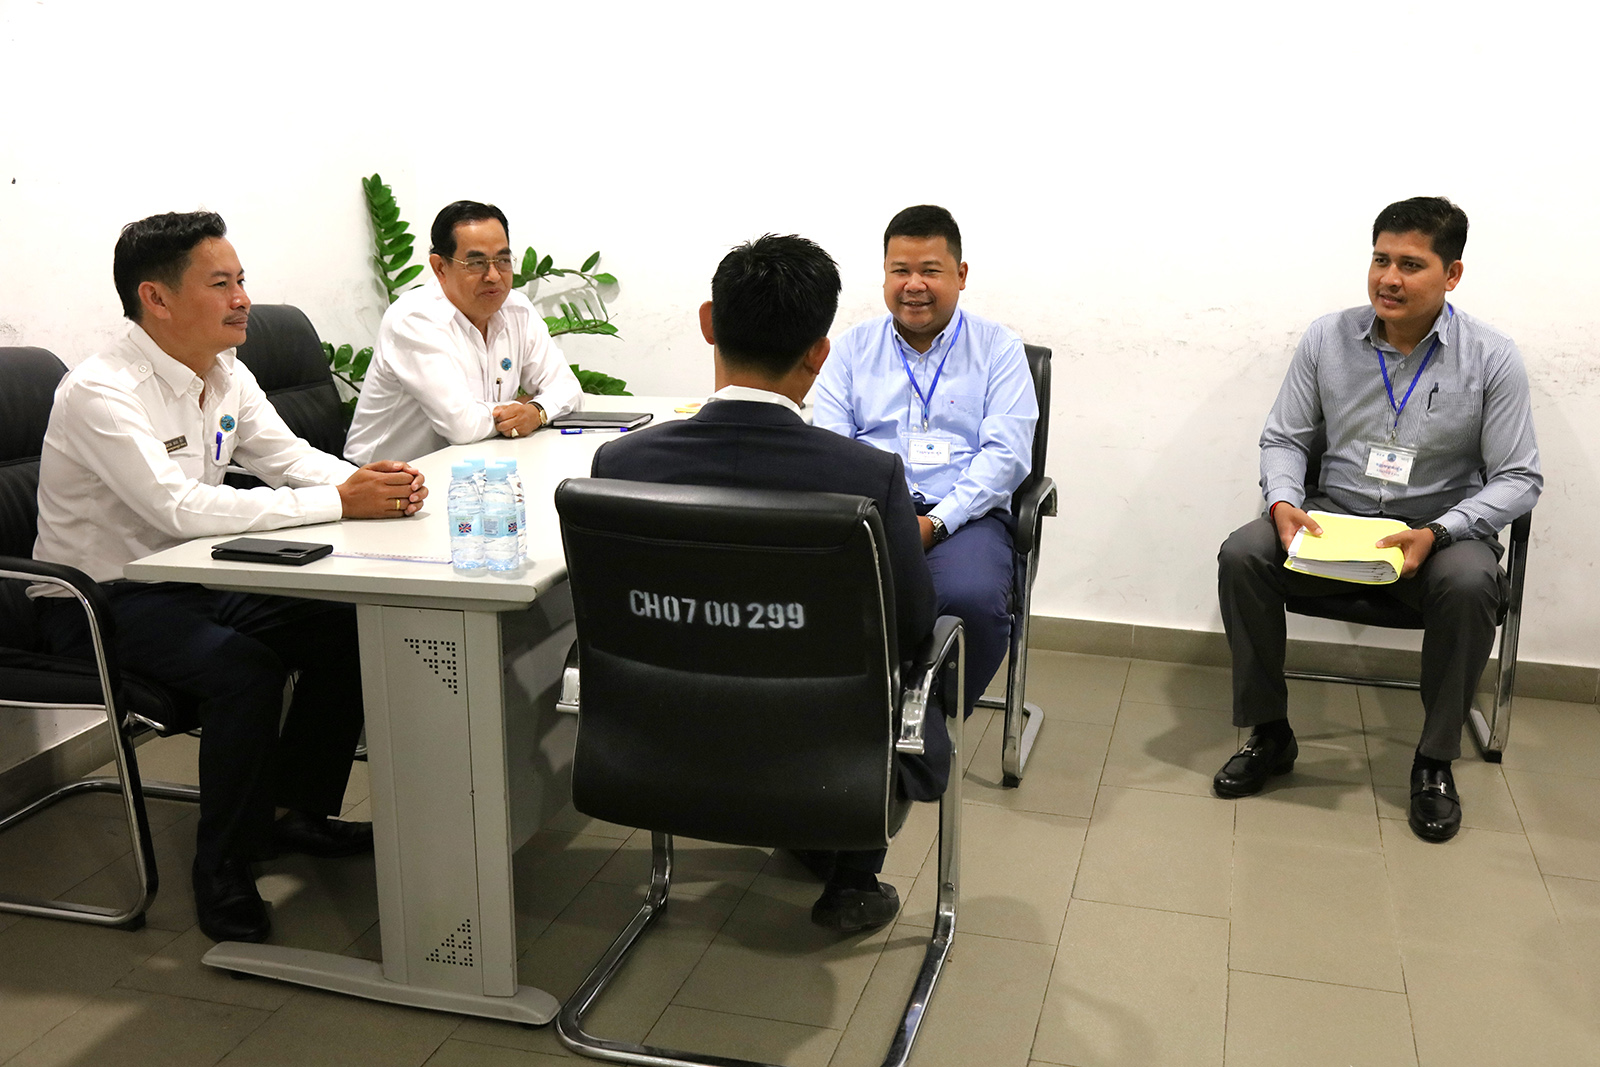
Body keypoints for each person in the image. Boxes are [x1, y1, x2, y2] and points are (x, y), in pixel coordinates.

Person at [33, 211, 429, 943]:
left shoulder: (224, 371)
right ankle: (223, 866)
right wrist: (341, 502)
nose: (243, 298)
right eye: (221, 284)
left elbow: (289, 459)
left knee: (347, 622)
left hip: (194, 580)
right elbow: (177, 507)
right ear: (156, 298)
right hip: (99, 600)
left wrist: (371, 484)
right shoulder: (100, 391)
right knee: (243, 670)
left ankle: (296, 811)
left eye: (241, 280)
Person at [591, 234, 945, 933]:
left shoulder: (623, 463)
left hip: (656, 746)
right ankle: (850, 877)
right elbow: (912, 624)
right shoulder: (866, 477)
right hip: (825, 759)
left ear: (708, 324)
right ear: (819, 353)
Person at [1214, 197, 1541, 842]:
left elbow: (1519, 478)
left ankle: (1433, 761)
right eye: (1380, 259)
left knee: (1472, 582)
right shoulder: (1326, 338)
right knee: (1243, 553)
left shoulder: (1492, 358)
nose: (1388, 278)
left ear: (1452, 275)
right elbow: (1284, 438)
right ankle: (1270, 732)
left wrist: (1440, 531)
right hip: (1334, 520)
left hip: (1435, 534)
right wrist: (1283, 503)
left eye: (1410, 265)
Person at [812, 205, 1037, 713]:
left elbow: (1005, 455)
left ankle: (931, 722)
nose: (914, 285)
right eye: (901, 271)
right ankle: (858, 710)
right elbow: (830, 445)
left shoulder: (998, 349)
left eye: (930, 271)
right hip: (868, 513)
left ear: (960, 274)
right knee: (817, 588)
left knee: (971, 598)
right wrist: (877, 517)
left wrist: (936, 523)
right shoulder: (849, 350)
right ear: (884, 275)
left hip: (965, 518)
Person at [343, 200, 583, 465]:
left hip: (476, 465)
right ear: (440, 268)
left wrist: (537, 410)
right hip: (386, 479)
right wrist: (517, 408)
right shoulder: (415, 318)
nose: (493, 276)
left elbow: (568, 388)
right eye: (476, 263)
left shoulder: (517, 310)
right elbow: (461, 425)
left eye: (503, 260)